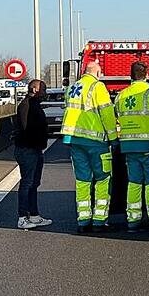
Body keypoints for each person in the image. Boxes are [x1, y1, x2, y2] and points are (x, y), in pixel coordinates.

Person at [60, 61, 118, 232]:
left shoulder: (72, 87)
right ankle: (99, 220)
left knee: (82, 180)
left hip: (75, 140)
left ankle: (83, 220)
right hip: (96, 141)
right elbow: (106, 113)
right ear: (97, 72)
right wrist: (113, 138)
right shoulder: (97, 87)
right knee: (103, 178)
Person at [114, 62, 149, 230]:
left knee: (134, 182)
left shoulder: (121, 95)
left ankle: (133, 218)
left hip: (129, 147)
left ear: (131, 75)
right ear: (146, 74)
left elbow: (117, 116)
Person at [15, 79, 52, 230]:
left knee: (34, 184)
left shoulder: (35, 105)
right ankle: (22, 217)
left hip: (35, 150)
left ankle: (35, 216)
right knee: (27, 183)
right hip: (27, 150)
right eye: (43, 90)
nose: (45, 93)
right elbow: (26, 128)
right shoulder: (26, 106)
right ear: (35, 89)